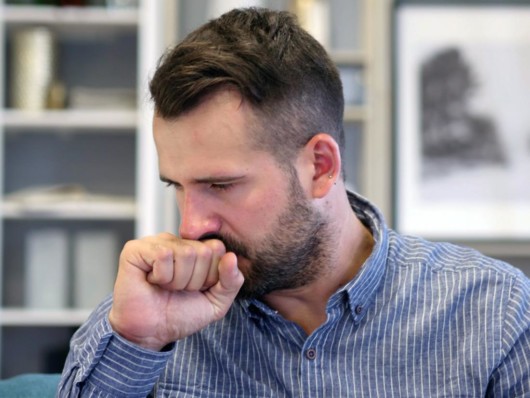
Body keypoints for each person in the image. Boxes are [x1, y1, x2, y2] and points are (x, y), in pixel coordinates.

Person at [58, 7, 530, 397]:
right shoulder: (147, 317)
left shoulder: (492, 315)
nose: (191, 226)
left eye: (221, 185)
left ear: (321, 166)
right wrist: (137, 342)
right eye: (177, 187)